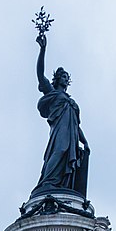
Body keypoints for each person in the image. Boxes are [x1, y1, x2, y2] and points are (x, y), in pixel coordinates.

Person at [32, 33, 90, 198]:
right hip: (59, 132)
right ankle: (48, 182)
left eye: (66, 77)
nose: (65, 79)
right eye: (63, 77)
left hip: (71, 136)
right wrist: (43, 50)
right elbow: (40, 74)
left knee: (67, 155)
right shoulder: (53, 92)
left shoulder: (71, 102)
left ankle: (60, 185)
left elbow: (76, 126)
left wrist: (85, 141)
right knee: (59, 151)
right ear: (57, 79)